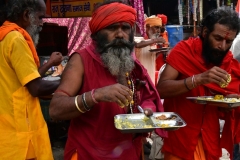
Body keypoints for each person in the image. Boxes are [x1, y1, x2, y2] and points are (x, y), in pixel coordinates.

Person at [49, 1, 166, 159]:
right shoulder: (81, 60)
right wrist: (95, 96)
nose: (120, 34)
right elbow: (55, 109)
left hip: (128, 151)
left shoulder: (128, 62)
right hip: (90, 152)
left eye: (125, 28)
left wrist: (146, 109)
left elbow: (146, 96)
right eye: (112, 28)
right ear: (97, 33)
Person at [157, 7, 240, 159]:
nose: (222, 46)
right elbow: (161, 89)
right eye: (218, 38)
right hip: (181, 138)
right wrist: (199, 79)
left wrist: (228, 104)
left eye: (228, 41)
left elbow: (222, 101)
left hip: (210, 138)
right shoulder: (184, 50)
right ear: (205, 32)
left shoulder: (227, 61)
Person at [0, 0, 63, 159]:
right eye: (40, 17)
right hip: (20, 133)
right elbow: (35, 88)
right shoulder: (16, 39)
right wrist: (68, 79)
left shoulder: (4, 36)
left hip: (8, 129)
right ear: (27, 14)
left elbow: (26, 78)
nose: (42, 24)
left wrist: (49, 64)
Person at [135, 15, 166, 84]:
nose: (158, 31)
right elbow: (137, 45)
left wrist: (161, 51)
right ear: (148, 27)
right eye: (156, 27)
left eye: (159, 28)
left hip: (151, 76)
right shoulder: (139, 39)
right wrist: (155, 40)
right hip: (140, 78)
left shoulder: (153, 43)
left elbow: (152, 58)